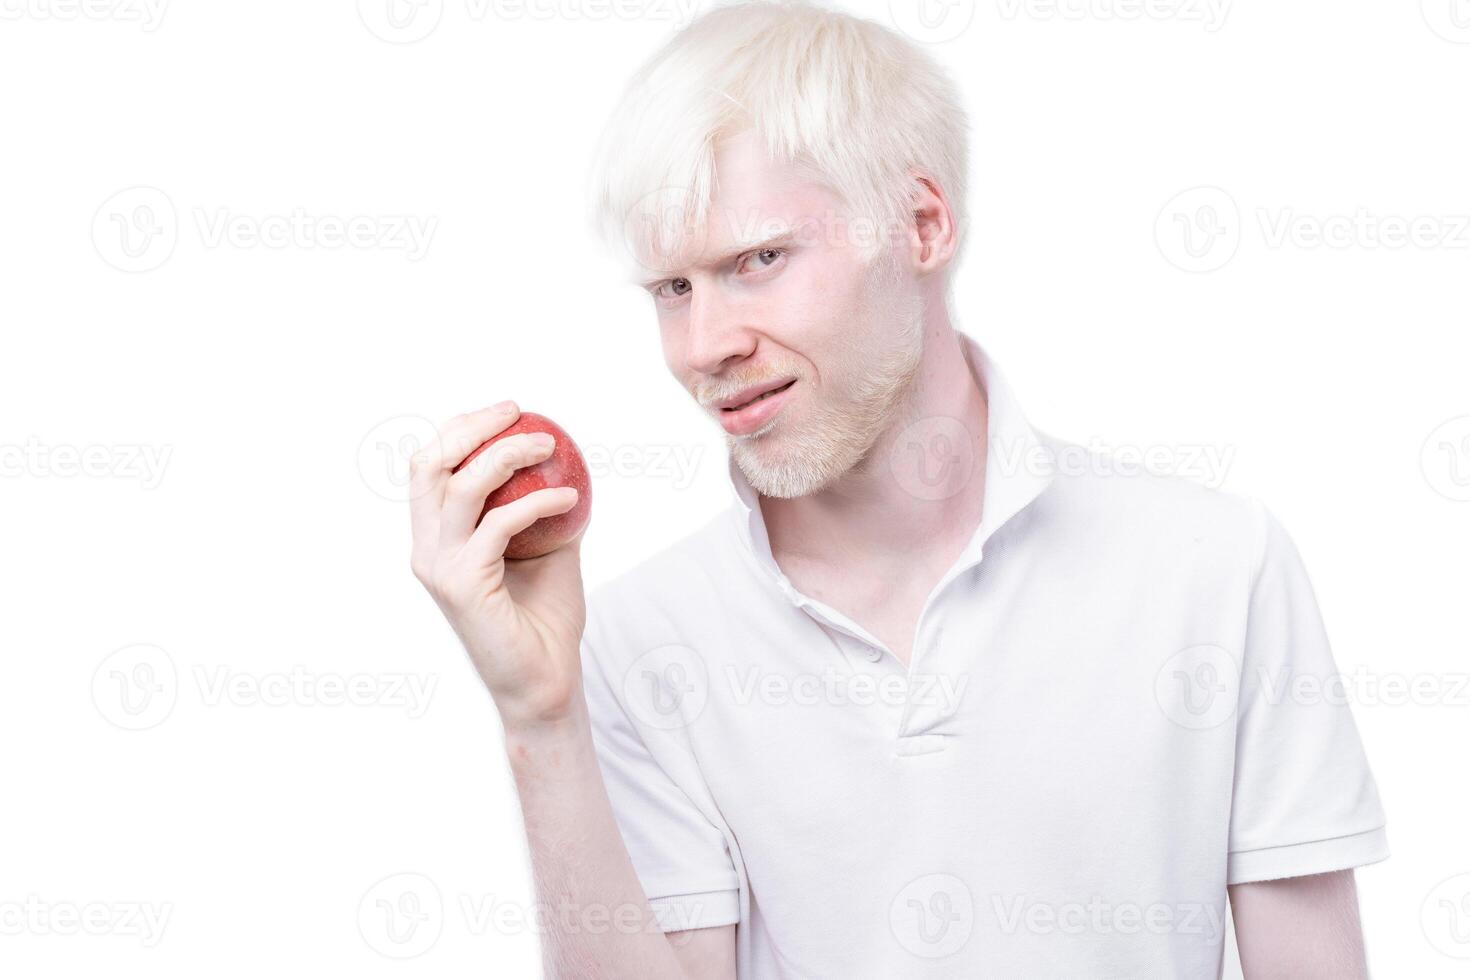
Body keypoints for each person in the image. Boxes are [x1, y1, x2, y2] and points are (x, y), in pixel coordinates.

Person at [408, 2, 1388, 976]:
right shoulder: (637, 637)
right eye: (674, 288)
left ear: (922, 225)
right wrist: (543, 718)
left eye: (759, 259)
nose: (705, 346)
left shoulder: (1216, 565)